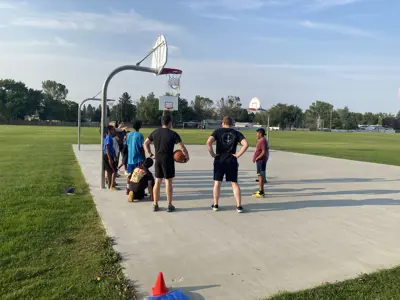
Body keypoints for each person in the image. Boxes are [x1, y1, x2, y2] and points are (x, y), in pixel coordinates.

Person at [144, 115, 189, 212]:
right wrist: (187, 156)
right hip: (168, 159)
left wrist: (151, 154)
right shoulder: (173, 134)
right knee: (168, 182)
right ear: (170, 123)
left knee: (157, 182)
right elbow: (181, 147)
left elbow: (146, 143)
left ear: (162, 122)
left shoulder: (155, 132)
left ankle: (155, 204)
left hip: (158, 159)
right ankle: (169, 205)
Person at [206, 116, 249, 213]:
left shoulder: (217, 131)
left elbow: (208, 142)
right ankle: (238, 206)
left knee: (217, 182)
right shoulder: (236, 133)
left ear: (222, 123)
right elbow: (246, 144)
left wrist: (213, 154)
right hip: (231, 160)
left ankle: (215, 204)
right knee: (234, 183)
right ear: (232, 124)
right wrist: (238, 155)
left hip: (219, 160)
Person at [252, 128, 269, 198]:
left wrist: (257, 158)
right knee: (259, 175)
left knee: (260, 176)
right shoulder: (261, 140)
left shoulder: (262, 141)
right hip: (260, 161)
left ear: (260, 133)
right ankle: (260, 190)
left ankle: (261, 192)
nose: (256, 135)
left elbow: (263, 152)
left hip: (261, 161)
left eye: (257, 133)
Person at [103, 125, 118, 190]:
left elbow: (111, 148)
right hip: (108, 156)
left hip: (109, 155)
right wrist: (109, 158)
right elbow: (107, 148)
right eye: (113, 130)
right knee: (114, 170)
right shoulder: (108, 138)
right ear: (109, 130)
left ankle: (109, 185)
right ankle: (112, 186)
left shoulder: (110, 137)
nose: (114, 131)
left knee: (109, 171)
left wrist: (114, 156)